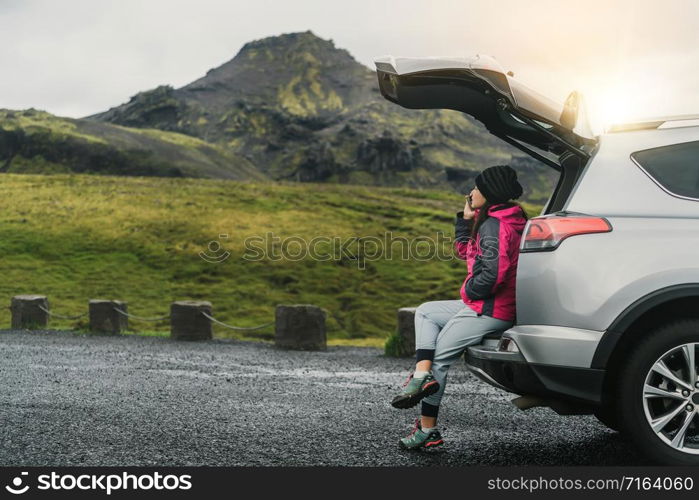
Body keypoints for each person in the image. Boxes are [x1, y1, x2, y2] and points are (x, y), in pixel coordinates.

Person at [390, 164, 529, 450]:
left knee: (439, 357)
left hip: (490, 308)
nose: (471, 192)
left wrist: (467, 290)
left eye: (477, 187)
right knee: (427, 310)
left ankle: (428, 430)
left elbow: (493, 274)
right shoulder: (503, 219)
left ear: (489, 192)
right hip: (490, 304)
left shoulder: (494, 225)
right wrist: (466, 221)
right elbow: (466, 251)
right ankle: (420, 376)